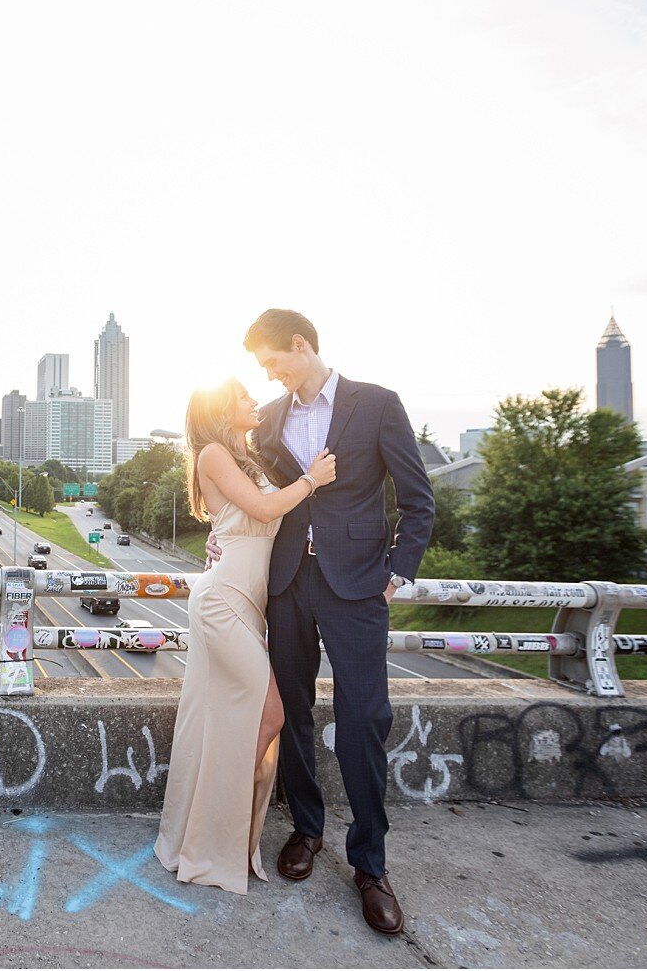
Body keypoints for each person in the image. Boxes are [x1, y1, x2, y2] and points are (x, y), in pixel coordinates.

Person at [207, 308, 434, 934]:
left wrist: (401, 569)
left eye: (271, 361)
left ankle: (370, 864)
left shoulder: (377, 403)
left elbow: (418, 498)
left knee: (365, 715)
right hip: (288, 583)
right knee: (294, 712)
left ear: (300, 345)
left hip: (359, 584)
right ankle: (307, 829)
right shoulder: (272, 420)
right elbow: (267, 499)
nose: (268, 374)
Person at [154, 379, 336, 894]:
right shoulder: (212, 452)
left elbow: (253, 520)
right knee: (270, 713)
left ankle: (214, 835)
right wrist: (312, 479)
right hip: (222, 601)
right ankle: (217, 834)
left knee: (226, 720)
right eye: (244, 397)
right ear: (221, 408)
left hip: (247, 603)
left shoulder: (244, 456)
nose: (254, 402)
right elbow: (262, 511)